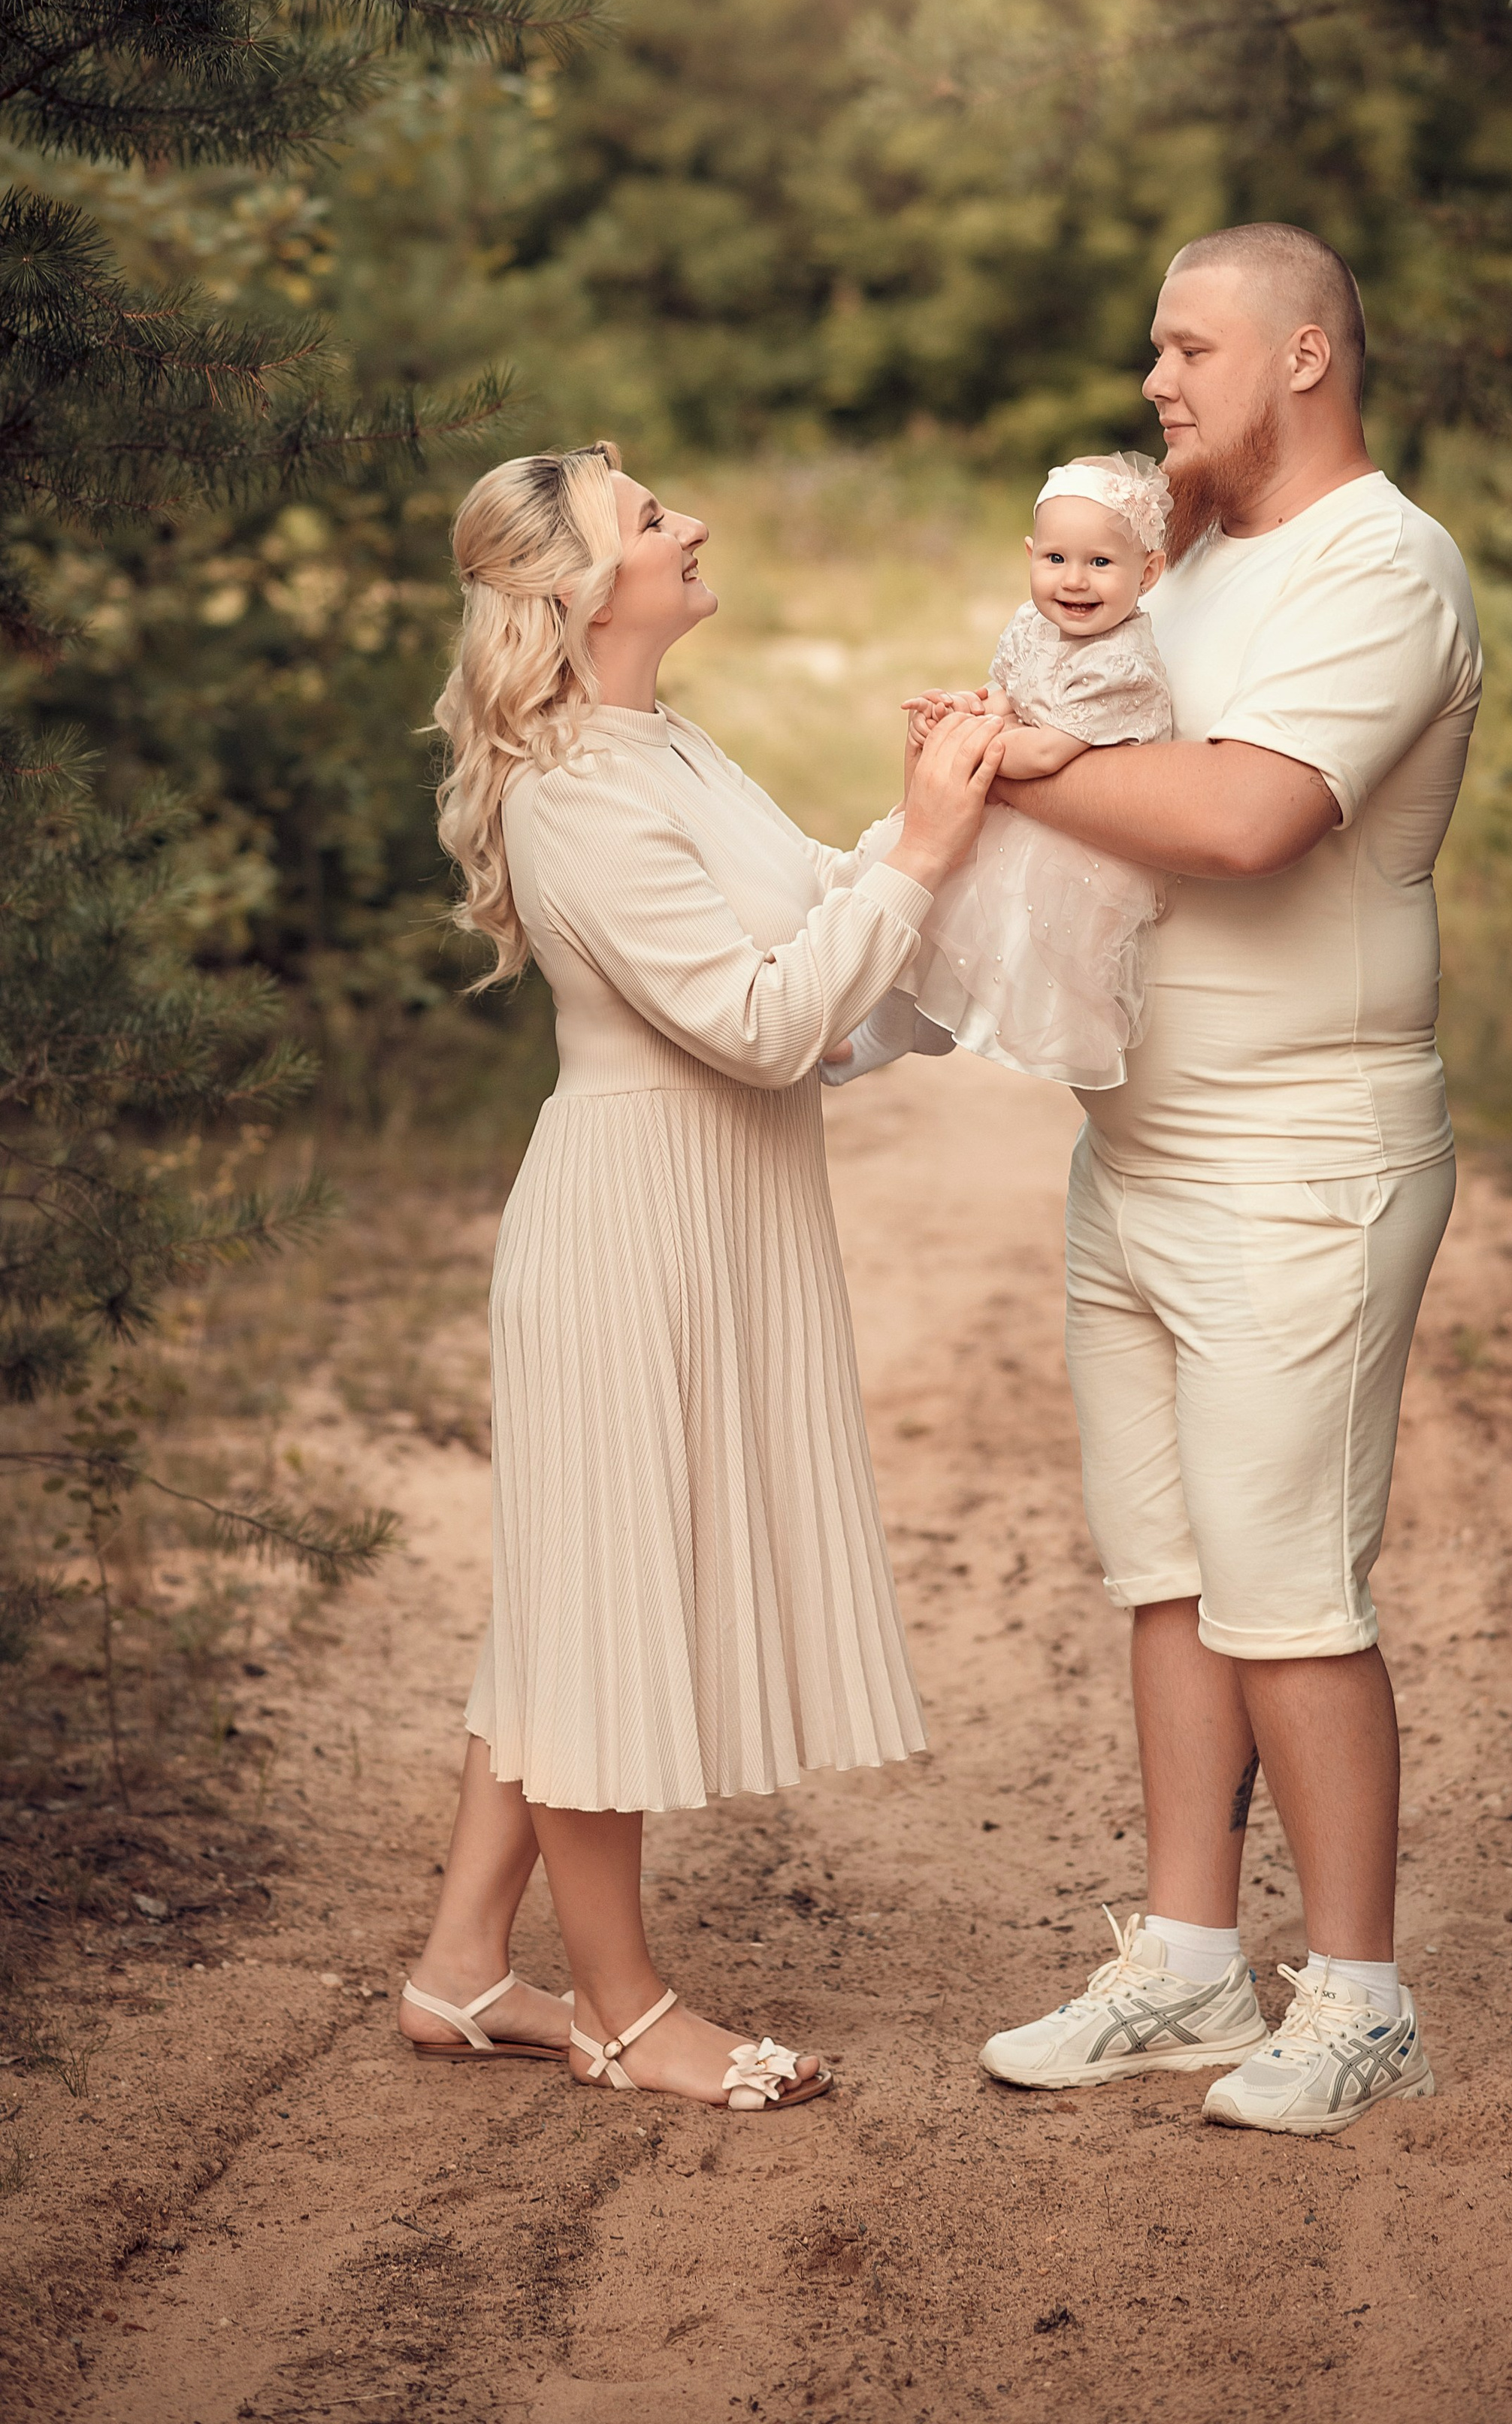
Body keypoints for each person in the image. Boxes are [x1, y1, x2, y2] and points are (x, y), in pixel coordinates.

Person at [397, 439, 1004, 2111]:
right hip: (629, 1224)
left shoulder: (660, 742)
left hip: (713, 1205)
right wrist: (922, 857)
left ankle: (459, 1973)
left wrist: (937, 812)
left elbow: (817, 921)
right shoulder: (571, 789)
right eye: (652, 519)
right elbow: (754, 1021)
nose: (693, 524)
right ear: (582, 592)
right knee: (599, 1608)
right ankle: (619, 2008)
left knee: (565, 1589)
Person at [975, 222, 1481, 2136]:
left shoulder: (1382, 564)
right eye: (1148, 351)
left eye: (1186, 348)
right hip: (1139, 1149)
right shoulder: (1184, 557)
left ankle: (1359, 1994)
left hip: (1304, 1161)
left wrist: (1005, 765)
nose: (1152, 381)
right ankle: (1186, 1960)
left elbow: (1250, 815)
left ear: (1297, 354)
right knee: (1168, 1577)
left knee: (1288, 1593)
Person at [828, 449, 1174, 1091]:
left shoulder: (1121, 664)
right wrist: (966, 708)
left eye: (1100, 563)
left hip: (1079, 842)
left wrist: (960, 743)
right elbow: (1008, 698)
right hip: (1024, 809)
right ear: (1030, 556)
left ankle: (922, 1024)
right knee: (924, 893)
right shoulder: (1032, 626)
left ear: (1148, 572)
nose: (1074, 581)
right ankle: (901, 1025)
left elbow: (1047, 751)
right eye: (1055, 560)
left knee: (990, 927)